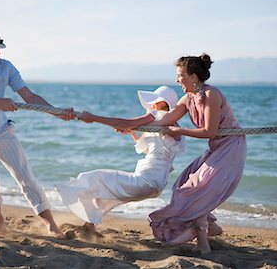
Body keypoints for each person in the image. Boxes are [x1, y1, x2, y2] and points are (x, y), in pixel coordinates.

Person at [0, 27, 75, 235]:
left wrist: (56, 112)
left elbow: (29, 96)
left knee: (26, 177)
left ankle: (51, 225)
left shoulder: (6, 67)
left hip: (3, 131)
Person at [145, 53, 247, 255]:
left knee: (196, 190)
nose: (177, 80)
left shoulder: (211, 94)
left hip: (232, 146)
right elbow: (164, 121)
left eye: (180, 75)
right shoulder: (188, 98)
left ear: (193, 77)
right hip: (217, 147)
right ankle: (210, 226)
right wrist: (132, 126)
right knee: (182, 186)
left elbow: (209, 131)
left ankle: (203, 242)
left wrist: (180, 131)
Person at [59, 86, 185, 233]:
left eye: (153, 102)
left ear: (159, 102)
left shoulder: (159, 115)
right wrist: (132, 133)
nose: (150, 105)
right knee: (105, 190)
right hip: (156, 184)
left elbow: (125, 122)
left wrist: (94, 118)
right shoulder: (172, 125)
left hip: (146, 180)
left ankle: (85, 220)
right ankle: (89, 226)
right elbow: (149, 151)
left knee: (95, 178)